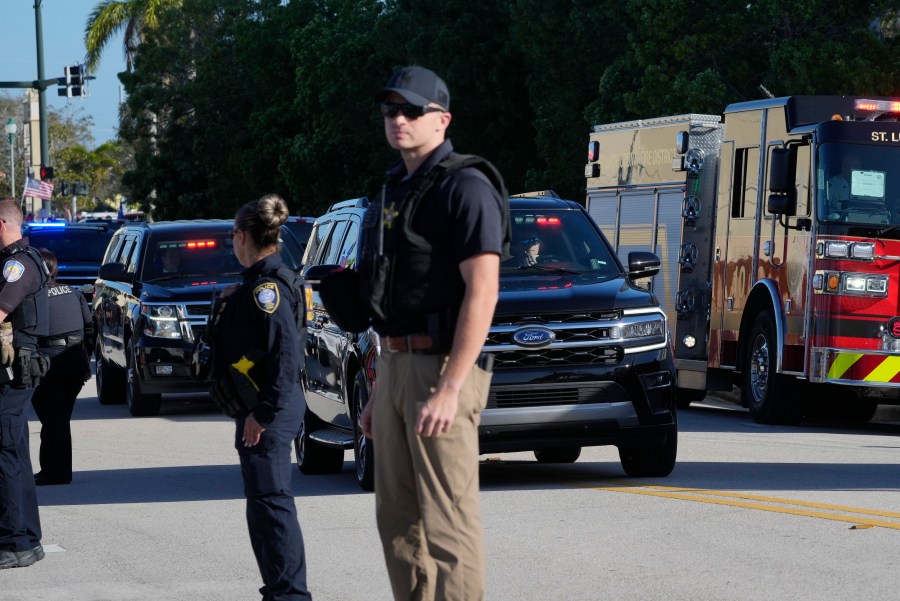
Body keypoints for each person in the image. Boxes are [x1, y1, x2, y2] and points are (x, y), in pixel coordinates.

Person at [358, 66, 508, 601]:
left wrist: (449, 386)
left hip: (442, 367)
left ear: (442, 120)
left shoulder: (465, 185)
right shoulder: (395, 186)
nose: (398, 120)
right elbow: (389, 299)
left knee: (448, 525)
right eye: (390, 111)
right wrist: (379, 390)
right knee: (395, 519)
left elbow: (482, 291)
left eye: (411, 110)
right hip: (396, 366)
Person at [206, 193, 312, 600]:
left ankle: (290, 594)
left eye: (232, 234)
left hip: (269, 411)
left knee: (272, 506)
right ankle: (279, 589)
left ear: (245, 236)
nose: (232, 241)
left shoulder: (267, 288)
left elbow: (285, 354)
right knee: (263, 506)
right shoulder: (256, 285)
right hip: (262, 407)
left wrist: (263, 413)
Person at [0, 198, 50, 570]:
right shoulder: (22, 261)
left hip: (13, 371)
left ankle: (13, 541)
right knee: (14, 453)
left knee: (4, 455)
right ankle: (28, 538)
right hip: (15, 371)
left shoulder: (17, 265)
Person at [31, 248, 92, 486]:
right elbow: (89, 328)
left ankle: (57, 473)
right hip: (75, 362)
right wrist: (86, 362)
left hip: (50, 364)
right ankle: (54, 468)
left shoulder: (33, 298)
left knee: (54, 420)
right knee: (59, 418)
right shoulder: (73, 292)